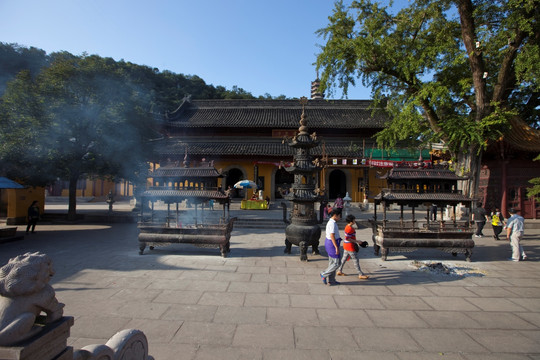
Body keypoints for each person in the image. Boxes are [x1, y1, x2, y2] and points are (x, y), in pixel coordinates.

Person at [336, 215, 369, 280]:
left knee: (344, 259)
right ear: (351, 221)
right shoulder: (350, 228)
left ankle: (339, 270)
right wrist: (357, 241)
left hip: (346, 245)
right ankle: (360, 274)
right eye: (354, 220)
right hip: (350, 246)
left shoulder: (347, 227)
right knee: (355, 260)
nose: (355, 221)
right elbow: (348, 238)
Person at [320, 208, 343, 286]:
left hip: (330, 243)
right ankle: (324, 273)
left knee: (332, 263)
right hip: (332, 244)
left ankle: (332, 280)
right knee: (336, 263)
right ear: (335, 215)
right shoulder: (332, 223)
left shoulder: (332, 222)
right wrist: (336, 247)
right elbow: (332, 235)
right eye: (339, 216)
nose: (340, 218)